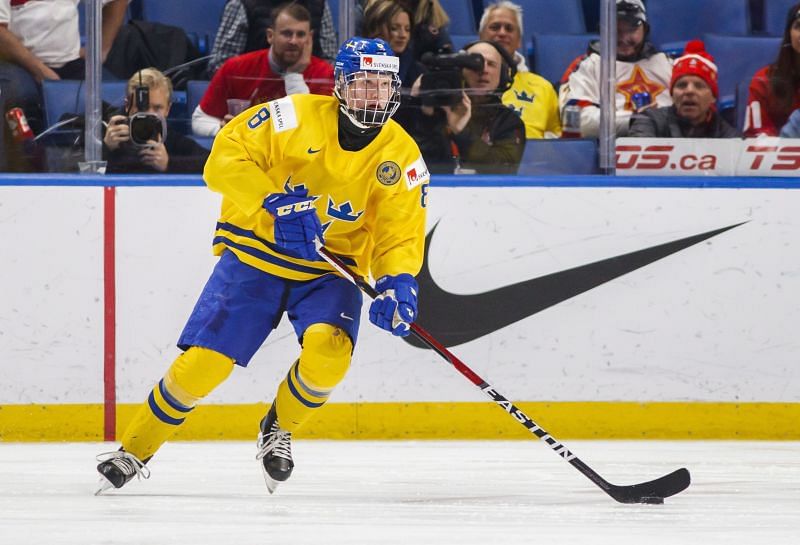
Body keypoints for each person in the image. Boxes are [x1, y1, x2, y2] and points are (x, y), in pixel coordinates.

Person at [95, 36, 429, 495]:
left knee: (329, 354)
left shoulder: (403, 156)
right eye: (361, 84)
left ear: (394, 90)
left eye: (381, 85)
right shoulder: (292, 114)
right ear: (339, 86)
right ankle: (134, 449)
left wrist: (399, 281)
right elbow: (223, 159)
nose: (371, 96)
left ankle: (279, 425)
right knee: (204, 366)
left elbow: (400, 232)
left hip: (329, 269)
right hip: (257, 255)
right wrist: (272, 202)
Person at [0, 0, 128, 171]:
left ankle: (119, 170)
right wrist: (40, 70)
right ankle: (14, 174)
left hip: (69, 62)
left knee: (117, 97)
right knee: (17, 94)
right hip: (16, 63)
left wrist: (101, 49)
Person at [192, 2, 334, 137]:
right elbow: (200, 119)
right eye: (287, 34)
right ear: (270, 36)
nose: (294, 41)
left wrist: (294, 75)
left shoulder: (324, 74)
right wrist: (223, 129)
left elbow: (311, 130)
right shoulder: (236, 68)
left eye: (301, 35)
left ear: (310, 37)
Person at [409, 40, 525, 174]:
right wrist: (421, 113)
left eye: (491, 64)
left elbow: (504, 169)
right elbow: (411, 166)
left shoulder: (509, 122)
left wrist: (461, 132)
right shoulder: (433, 110)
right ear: (460, 70)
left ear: (503, 75)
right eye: (474, 64)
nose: (484, 70)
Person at [558, 0, 673, 137]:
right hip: (608, 153)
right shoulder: (588, 66)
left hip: (672, 150)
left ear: (645, 29)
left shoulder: (668, 64)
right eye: (615, 30)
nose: (624, 38)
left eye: (631, 29)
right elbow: (574, 121)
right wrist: (634, 120)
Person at [478, 1, 561, 138]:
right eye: (495, 27)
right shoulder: (462, 82)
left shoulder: (543, 88)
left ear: (519, 41)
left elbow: (556, 143)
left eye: (509, 29)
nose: (502, 33)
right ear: (480, 35)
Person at [103, 68, 210, 173]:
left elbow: (213, 163)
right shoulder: (112, 134)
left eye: (157, 108)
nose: (149, 114)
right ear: (127, 105)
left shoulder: (171, 139)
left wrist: (169, 163)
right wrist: (106, 149)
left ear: (168, 109)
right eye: (142, 107)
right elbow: (87, 170)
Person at [629, 40, 739, 138]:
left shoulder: (729, 137)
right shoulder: (649, 121)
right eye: (682, 85)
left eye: (699, 86)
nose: (689, 91)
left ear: (713, 97)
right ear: (671, 94)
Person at [206, 0, 338, 76]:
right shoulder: (241, 4)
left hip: (307, 91)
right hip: (254, 95)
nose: (293, 40)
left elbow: (330, 61)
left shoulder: (319, 4)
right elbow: (219, 66)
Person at [744, 2, 800, 137]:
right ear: (788, 34)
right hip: (777, 156)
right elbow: (755, 136)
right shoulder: (764, 81)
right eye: (799, 26)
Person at [357, 0, 453, 61]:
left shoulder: (429, 10)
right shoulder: (362, 12)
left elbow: (447, 55)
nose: (403, 35)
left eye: (407, 29)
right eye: (394, 28)